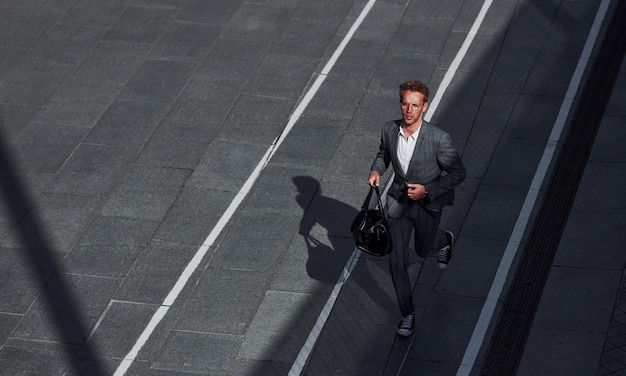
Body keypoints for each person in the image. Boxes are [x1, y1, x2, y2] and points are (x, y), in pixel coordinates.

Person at [367, 80, 466, 337]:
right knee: (396, 262)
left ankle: (444, 241)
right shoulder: (389, 129)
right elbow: (383, 154)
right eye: (405, 104)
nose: (409, 110)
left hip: (426, 206)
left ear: (424, 107)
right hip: (398, 203)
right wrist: (377, 170)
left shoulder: (438, 139)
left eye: (415, 105)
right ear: (400, 104)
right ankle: (407, 313)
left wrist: (428, 190)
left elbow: (458, 173)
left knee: (423, 250)